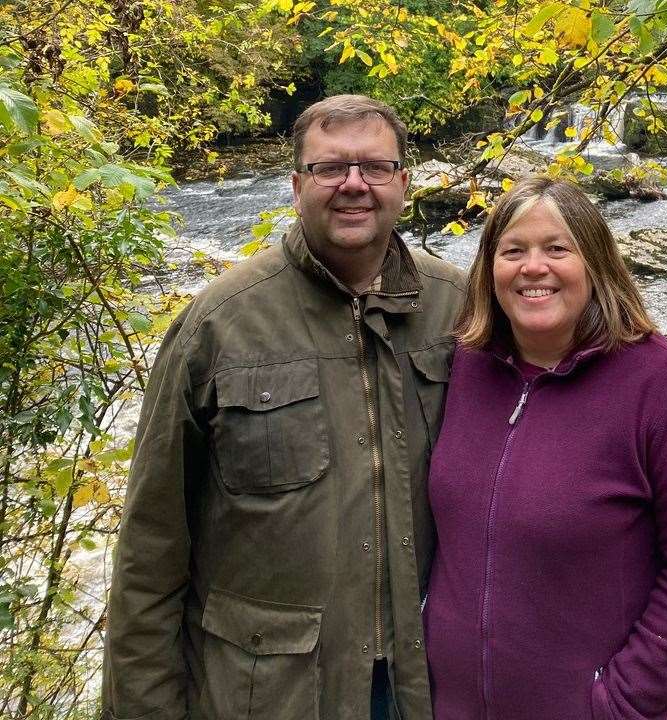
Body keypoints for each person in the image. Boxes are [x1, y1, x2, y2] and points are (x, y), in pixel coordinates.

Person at [102, 95, 465, 720]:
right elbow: (151, 546)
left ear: (404, 183)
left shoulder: (458, 310)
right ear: (296, 185)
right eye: (331, 168)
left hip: (426, 683)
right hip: (269, 694)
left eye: (375, 167)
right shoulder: (219, 324)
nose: (354, 185)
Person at [423, 177, 667, 720]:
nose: (534, 267)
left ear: (595, 263)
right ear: (489, 270)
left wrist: (625, 701)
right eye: (513, 251)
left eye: (557, 248)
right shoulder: (463, 368)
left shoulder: (662, 382)